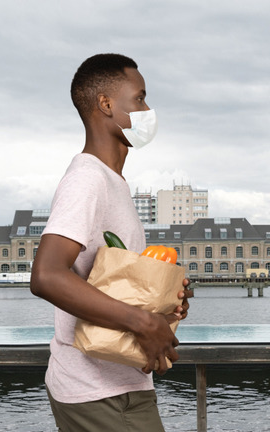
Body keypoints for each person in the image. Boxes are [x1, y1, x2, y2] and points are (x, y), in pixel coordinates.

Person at [30, 53, 193, 432]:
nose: (148, 109)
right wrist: (143, 322)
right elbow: (47, 275)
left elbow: (113, 279)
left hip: (119, 383)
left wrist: (164, 297)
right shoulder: (87, 180)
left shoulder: (114, 184)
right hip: (97, 392)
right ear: (105, 105)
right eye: (139, 98)